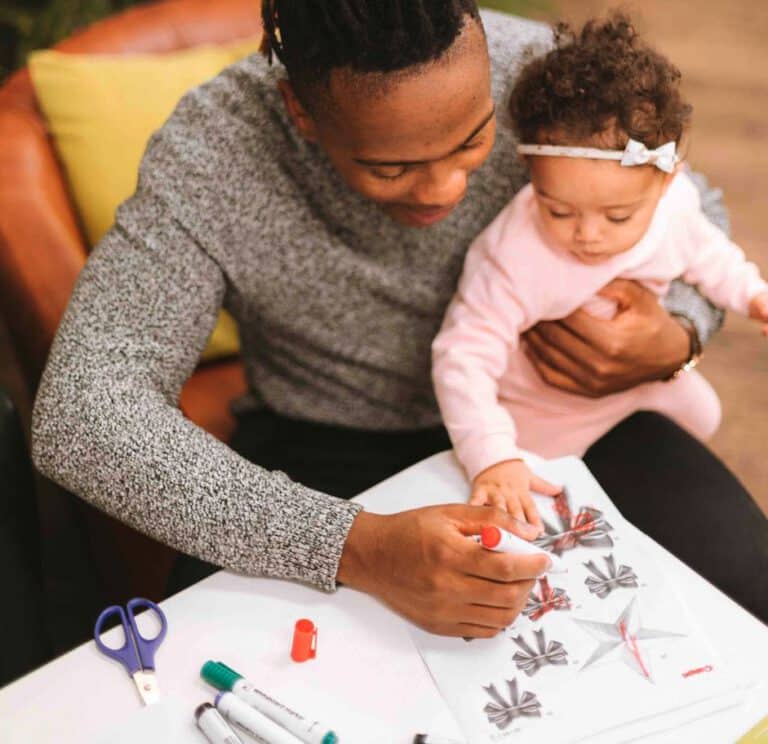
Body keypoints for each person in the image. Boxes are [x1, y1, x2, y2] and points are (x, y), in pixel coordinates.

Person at [31, 0, 768, 634]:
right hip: (327, 447)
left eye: (475, 139)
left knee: (745, 595)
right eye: (391, 167)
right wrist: (350, 546)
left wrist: (675, 334)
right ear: (300, 112)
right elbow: (82, 412)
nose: (446, 187)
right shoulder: (213, 151)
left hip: (569, 413)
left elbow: (686, 207)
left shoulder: (545, 76)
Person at [432, 15, 768, 530]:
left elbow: (708, 253)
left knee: (706, 414)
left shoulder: (675, 204)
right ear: (532, 177)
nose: (587, 235)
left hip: (636, 377)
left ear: (666, 180)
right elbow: (463, 356)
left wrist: (752, 294)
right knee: (543, 508)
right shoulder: (510, 252)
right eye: (558, 210)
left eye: (617, 217)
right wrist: (493, 455)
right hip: (541, 410)